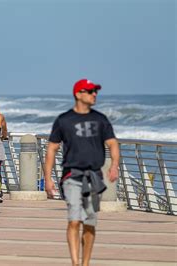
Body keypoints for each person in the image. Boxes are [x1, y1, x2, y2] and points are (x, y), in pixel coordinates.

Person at [44, 79, 119, 266]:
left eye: (96, 91)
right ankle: (75, 263)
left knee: (90, 223)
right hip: (72, 176)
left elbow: (112, 143)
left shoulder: (100, 119)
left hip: (94, 177)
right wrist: (47, 178)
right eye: (90, 91)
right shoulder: (64, 120)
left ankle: (85, 263)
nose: (94, 94)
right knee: (74, 219)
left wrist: (114, 165)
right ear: (78, 94)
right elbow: (52, 148)